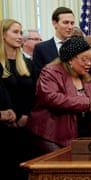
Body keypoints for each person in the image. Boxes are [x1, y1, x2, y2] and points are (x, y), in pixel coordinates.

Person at [26, 38, 91, 158]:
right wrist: (88, 104)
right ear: (70, 59)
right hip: (53, 135)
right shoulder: (50, 72)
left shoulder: (86, 75)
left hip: (82, 133)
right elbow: (52, 98)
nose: (89, 63)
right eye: (84, 59)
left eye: (90, 59)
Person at [0, 18, 37, 180]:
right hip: (3, 129)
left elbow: (35, 94)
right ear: (3, 35)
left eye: (21, 32)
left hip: (27, 127)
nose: (20, 36)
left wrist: (26, 115)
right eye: (15, 32)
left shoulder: (28, 64)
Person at [32, 6, 75, 75]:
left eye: (72, 23)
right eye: (66, 22)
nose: (70, 27)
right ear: (54, 23)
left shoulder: (79, 47)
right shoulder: (41, 48)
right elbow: (38, 77)